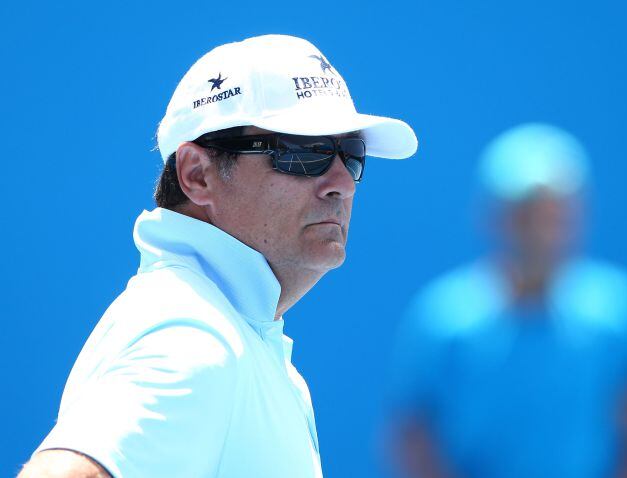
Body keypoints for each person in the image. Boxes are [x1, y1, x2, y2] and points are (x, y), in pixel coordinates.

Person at [19, 34, 417, 478]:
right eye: (304, 153)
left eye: (351, 154)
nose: (342, 183)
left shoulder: (225, 330)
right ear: (197, 175)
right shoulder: (195, 334)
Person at [387, 124, 627, 478]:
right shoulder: (442, 320)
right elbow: (413, 437)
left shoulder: (620, 313)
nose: (541, 231)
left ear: (578, 216)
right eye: (525, 214)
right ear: (493, 218)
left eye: (554, 214)